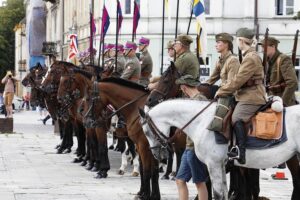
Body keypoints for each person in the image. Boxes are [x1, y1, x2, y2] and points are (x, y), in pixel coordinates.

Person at [215, 28, 267, 164]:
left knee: (236, 117)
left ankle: (240, 151)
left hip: (252, 96)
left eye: (238, 40)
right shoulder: (248, 56)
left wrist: (221, 91)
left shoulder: (251, 58)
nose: (237, 43)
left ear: (241, 41)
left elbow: (238, 80)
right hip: (246, 94)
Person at [175, 75, 209, 200]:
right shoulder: (196, 99)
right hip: (189, 147)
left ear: (184, 87)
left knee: (199, 182)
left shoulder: (199, 100)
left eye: (181, 88)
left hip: (195, 147)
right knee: (180, 180)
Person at [206, 33, 240, 132]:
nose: (215, 45)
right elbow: (211, 79)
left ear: (226, 44)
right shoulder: (220, 60)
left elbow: (231, 83)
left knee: (219, 112)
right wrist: (200, 87)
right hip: (222, 91)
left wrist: (219, 91)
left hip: (230, 94)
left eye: (218, 42)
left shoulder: (233, 60)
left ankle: (217, 129)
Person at [259, 36, 298, 106]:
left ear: (273, 46)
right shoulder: (267, 62)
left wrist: (282, 102)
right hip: (272, 100)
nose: (262, 50)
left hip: (283, 102)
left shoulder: (283, 59)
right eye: (262, 47)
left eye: (264, 47)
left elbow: (292, 82)